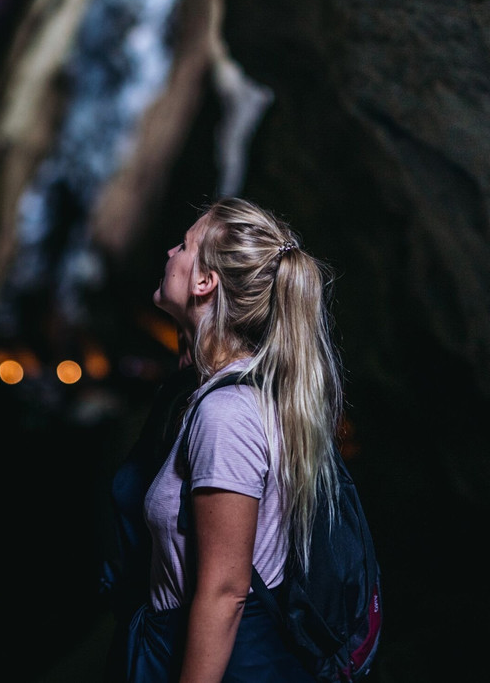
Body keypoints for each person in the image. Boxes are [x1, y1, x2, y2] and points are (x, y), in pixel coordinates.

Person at [123, 197, 343, 682]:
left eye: (184, 246)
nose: (169, 252)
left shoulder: (227, 414)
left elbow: (225, 592)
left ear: (205, 283)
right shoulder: (224, 391)